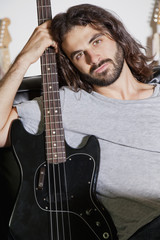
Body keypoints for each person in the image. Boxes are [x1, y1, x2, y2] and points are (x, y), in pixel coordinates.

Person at [0, 3, 160, 240]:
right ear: (71, 63)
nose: (93, 58)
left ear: (116, 36)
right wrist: (25, 58)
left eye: (96, 41)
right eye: (78, 54)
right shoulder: (65, 105)